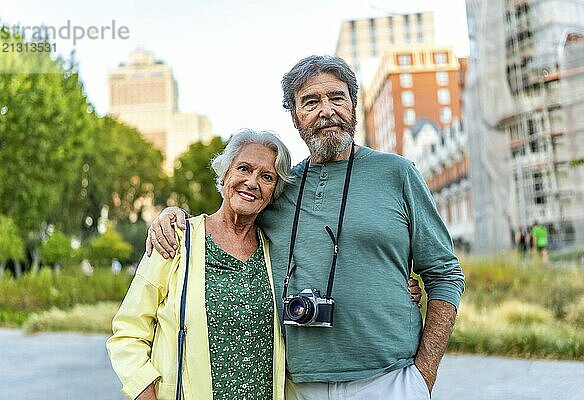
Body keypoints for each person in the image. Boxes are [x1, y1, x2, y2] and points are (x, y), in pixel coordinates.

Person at [147, 55, 464, 399]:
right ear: (296, 119)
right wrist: (171, 214)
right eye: (311, 102)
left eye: (337, 97)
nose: (326, 110)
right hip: (298, 386)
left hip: (389, 380)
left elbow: (445, 272)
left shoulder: (397, 174)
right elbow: (227, 221)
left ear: (353, 106)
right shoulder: (277, 187)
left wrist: (423, 374)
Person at [107, 130, 293, 400]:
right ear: (225, 174)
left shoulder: (275, 250)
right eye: (244, 168)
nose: (252, 182)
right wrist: (144, 393)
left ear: (274, 191)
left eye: (267, 177)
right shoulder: (176, 239)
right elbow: (128, 333)